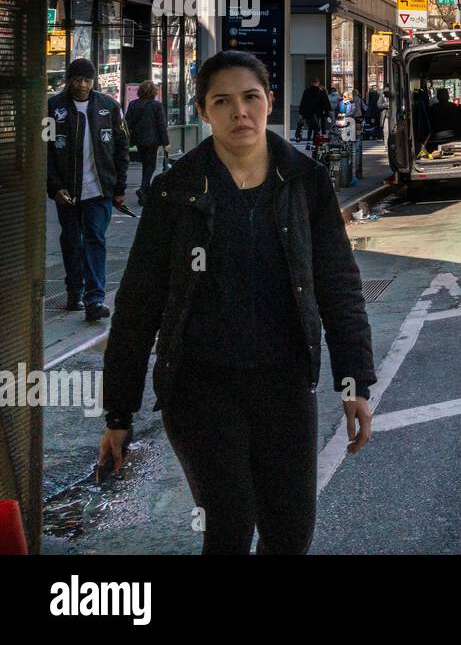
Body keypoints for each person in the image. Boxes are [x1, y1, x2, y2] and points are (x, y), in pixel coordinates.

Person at [99, 50, 376, 555]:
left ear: (269, 101)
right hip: (199, 389)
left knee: (290, 535)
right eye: (222, 101)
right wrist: (118, 412)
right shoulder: (173, 193)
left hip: (285, 384)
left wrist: (354, 381)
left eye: (250, 98)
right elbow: (138, 306)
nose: (239, 112)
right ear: (203, 111)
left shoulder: (305, 181)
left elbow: (338, 286)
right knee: (228, 527)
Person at [48, 57, 129, 321]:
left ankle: (95, 298)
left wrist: (119, 188)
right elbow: (45, 152)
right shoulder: (53, 107)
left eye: (87, 79)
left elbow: (121, 148)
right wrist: (55, 187)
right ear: (69, 80)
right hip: (68, 192)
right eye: (77, 79)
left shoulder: (108, 106)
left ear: (93, 80)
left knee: (95, 238)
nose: (82, 85)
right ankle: (74, 290)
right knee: (72, 240)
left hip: (99, 189)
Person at [124, 81, 171, 205]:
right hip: (153, 140)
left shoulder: (133, 104)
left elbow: (127, 123)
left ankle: (145, 190)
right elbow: (161, 125)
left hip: (139, 140)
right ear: (154, 92)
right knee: (151, 165)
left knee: (146, 164)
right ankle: (144, 188)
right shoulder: (157, 106)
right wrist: (166, 142)